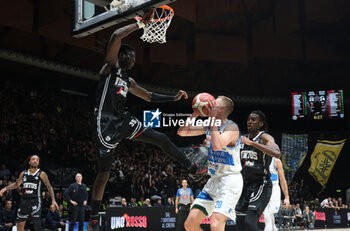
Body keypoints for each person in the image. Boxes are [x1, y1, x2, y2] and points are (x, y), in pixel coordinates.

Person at [88, 9, 207, 231]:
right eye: (131, 56)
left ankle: (192, 166)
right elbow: (116, 37)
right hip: (104, 124)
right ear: (122, 56)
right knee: (104, 172)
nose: (134, 60)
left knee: (160, 137)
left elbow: (149, 96)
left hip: (123, 121)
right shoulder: (109, 69)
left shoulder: (129, 81)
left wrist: (173, 97)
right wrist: (140, 23)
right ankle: (94, 214)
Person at [178, 96, 243, 231]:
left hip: (230, 181)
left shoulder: (232, 127)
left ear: (221, 109)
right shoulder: (209, 124)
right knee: (190, 224)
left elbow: (218, 145)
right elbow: (182, 132)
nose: (210, 105)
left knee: (216, 224)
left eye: (214, 104)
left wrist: (212, 119)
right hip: (213, 181)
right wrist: (195, 114)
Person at [235, 110, 281, 231]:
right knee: (240, 225)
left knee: (250, 223)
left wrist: (253, 143)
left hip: (261, 184)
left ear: (261, 123)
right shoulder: (242, 138)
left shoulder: (264, 137)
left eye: (253, 120)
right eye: (249, 119)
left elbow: (277, 153)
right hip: (244, 186)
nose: (249, 122)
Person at [0, 154, 59, 231]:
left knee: (36, 223)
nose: (35, 161)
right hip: (24, 201)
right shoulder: (24, 173)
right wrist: (5, 188)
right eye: (33, 159)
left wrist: (53, 200)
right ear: (29, 162)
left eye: (37, 160)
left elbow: (49, 187)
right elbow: (17, 184)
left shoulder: (41, 173)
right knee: (20, 225)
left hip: (36, 200)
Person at [263, 157, 290, 231]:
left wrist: (287, 197)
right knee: (268, 215)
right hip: (263, 190)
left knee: (267, 214)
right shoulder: (259, 158)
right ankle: (274, 229)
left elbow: (283, 180)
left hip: (274, 190)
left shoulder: (276, 161)